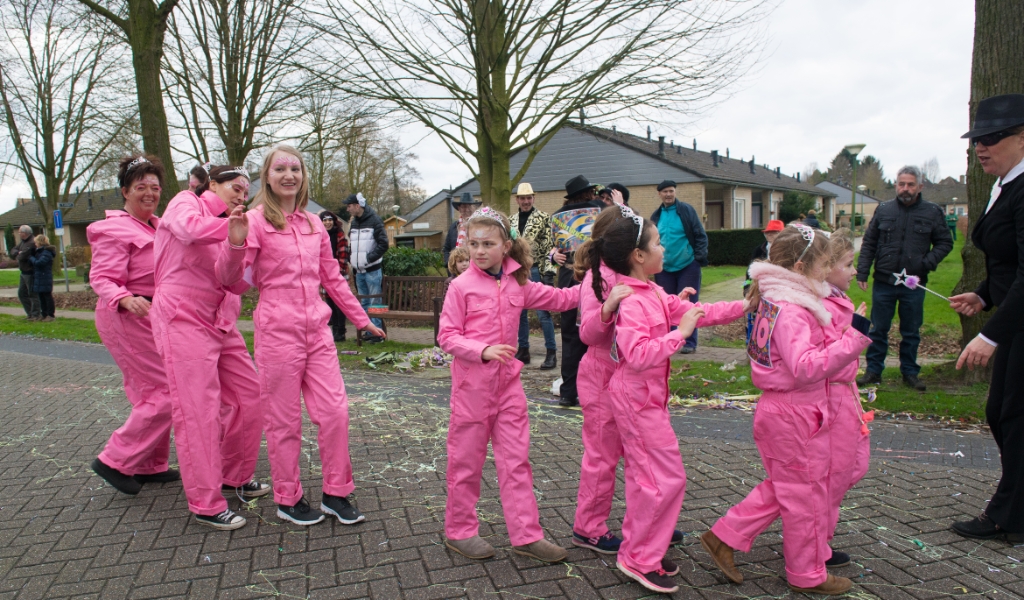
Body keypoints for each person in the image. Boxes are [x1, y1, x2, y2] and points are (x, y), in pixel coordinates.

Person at [220, 146, 386, 527]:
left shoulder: (315, 225)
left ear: (303, 175)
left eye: (295, 168)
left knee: (335, 412)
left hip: (317, 330)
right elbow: (231, 281)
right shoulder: (256, 221)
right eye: (280, 169)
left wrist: (362, 320)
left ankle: (336, 492)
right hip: (277, 332)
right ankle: (287, 497)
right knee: (284, 420)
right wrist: (235, 242)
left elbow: (333, 279)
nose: (289, 175)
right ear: (268, 176)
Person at [701, 225, 870, 596]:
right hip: (796, 411)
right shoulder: (793, 310)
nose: (828, 272)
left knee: (793, 488)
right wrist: (854, 339)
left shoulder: (778, 301)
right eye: (825, 263)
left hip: (787, 409)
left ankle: (725, 537)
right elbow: (806, 366)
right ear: (800, 266)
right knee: (805, 495)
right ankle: (807, 574)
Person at [594, 210, 743, 594]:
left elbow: (699, 313)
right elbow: (638, 354)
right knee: (661, 480)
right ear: (639, 256)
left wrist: (746, 306)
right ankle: (639, 558)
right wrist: (680, 333)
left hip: (646, 401)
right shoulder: (632, 299)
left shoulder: (652, 292)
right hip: (636, 401)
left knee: (654, 479)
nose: (664, 248)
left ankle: (644, 548)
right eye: (659, 243)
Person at [436, 206, 579, 563]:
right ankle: (459, 531)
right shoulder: (460, 287)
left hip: (509, 390)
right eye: (474, 243)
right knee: (465, 462)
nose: (480, 251)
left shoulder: (518, 283)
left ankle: (526, 535)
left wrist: (595, 285)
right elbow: (447, 336)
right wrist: (481, 350)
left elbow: (560, 299)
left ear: (506, 246)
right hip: (471, 391)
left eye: (488, 243)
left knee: (516, 462)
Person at [153, 161, 270, 531]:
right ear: (213, 186)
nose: (241, 192)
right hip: (181, 317)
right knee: (197, 410)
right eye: (234, 185)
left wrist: (237, 243)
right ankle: (205, 502)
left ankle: (234, 475)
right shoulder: (185, 202)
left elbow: (232, 282)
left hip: (221, 319)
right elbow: (189, 231)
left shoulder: (237, 223)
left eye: (245, 188)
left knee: (250, 396)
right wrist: (230, 228)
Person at [949, 93, 1024, 545]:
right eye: (978, 138)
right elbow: (1011, 265)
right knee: (1005, 412)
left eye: (993, 138)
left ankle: (1009, 517)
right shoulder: (1007, 186)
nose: (981, 147)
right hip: (1014, 316)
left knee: (1012, 414)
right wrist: (983, 295)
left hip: (1018, 325)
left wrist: (990, 336)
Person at [88, 154, 178, 496]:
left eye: (155, 187)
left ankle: (149, 465)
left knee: (148, 391)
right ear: (125, 191)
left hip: (152, 315)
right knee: (166, 391)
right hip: (125, 316)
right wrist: (124, 298)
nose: (149, 193)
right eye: (141, 187)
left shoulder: (159, 225)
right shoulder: (112, 228)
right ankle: (114, 460)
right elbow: (102, 276)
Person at [855, 165, 953, 391]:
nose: (905, 188)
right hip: (884, 281)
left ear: (920, 186)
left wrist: (926, 263)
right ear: (896, 185)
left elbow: (944, 242)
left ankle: (909, 372)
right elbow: (869, 242)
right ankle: (873, 371)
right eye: (901, 184)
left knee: (911, 330)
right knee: (878, 328)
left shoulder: (932, 212)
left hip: (914, 284)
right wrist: (863, 271)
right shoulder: (884, 210)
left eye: (910, 184)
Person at [822, 230, 873, 565]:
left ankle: (816, 537)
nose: (856, 271)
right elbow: (826, 359)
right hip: (834, 399)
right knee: (835, 472)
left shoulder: (839, 300)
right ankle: (815, 543)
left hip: (846, 396)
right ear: (826, 267)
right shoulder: (825, 306)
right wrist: (854, 331)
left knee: (852, 466)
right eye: (848, 263)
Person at [650, 179, 709, 354]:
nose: (668, 194)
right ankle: (671, 340)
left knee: (688, 304)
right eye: (665, 191)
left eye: (671, 191)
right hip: (664, 268)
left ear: (675, 192)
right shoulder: (656, 216)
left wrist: (698, 258)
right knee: (666, 306)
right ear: (659, 194)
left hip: (687, 265)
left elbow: (700, 234)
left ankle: (689, 342)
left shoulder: (686, 210)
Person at [510, 182, 558, 369]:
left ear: (533, 198)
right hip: (517, 270)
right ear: (517, 200)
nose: (526, 201)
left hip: (537, 268)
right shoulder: (511, 220)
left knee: (542, 313)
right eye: (522, 198)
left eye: (529, 198)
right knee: (519, 312)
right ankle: (523, 350)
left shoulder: (544, 218)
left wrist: (549, 273)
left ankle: (551, 352)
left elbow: (550, 247)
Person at [344, 192, 389, 342]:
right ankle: (369, 331)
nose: (347, 209)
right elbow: (353, 244)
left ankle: (379, 334)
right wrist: (352, 258)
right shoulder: (354, 222)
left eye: (349, 206)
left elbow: (384, 244)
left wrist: (368, 259)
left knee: (376, 302)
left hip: (372, 270)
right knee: (364, 302)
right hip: (359, 271)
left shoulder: (375, 220)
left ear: (357, 206)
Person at [745, 220, 785, 340]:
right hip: (760, 288)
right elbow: (749, 271)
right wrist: (747, 288)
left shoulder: (786, 251)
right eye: (767, 233)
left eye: (773, 233)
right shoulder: (759, 250)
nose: (769, 235)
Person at [320, 210, 351, 342]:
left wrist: (337, 273)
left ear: (334, 222)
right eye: (325, 220)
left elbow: (343, 256)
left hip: (339, 274)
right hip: (324, 275)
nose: (327, 223)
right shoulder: (319, 235)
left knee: (340, 303)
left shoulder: (339, 235)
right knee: (330, 303)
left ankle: (341, 331)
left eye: (330, 220)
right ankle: (334, 331)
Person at [442, 192, 482, 268]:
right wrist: (449, 263)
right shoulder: (454, 227)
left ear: (474, 208)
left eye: (469, 206)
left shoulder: (479, 225)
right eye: (463, 207)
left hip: (476, 267)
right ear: (459, 209)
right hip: (457, 270)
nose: (466, 209)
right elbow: (447, 248)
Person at [11, 225, 41, 320]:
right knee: (22, 293)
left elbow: (22, 257)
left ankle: (36, 314)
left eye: (20, 232)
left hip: (30, 272)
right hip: (23, 272)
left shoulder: (31, 242)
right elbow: (13, 250)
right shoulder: (23, 242)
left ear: (26, 233)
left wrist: (19, 254)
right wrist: (17, 252)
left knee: (32, 294)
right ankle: (30, 313)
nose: (19, 234)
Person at [29, 235, 55, 321]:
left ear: (40, 242)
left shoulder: (46, 252)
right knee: (41, 296)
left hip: (45, 276)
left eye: (36, 242)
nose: (35, 244)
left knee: (47, 296)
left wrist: (31, 258)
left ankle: (50, 315)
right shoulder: (39, 252)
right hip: (40, 276)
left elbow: (40, 263)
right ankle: (44, 314)